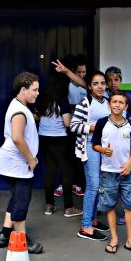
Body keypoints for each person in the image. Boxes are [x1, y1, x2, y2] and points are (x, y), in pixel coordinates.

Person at [0, 72, 44, 254]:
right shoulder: (20, 111)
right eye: (34, 90)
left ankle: (4, 234)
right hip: (17, 163)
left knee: (16, 197)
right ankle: (22, 239)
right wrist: (31, 159)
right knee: (22, 199)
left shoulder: (20, 106)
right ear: (23, 90)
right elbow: (17, 138)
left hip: (15, 162)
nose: (37, 93)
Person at [92, 91, 131, 256]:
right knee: (109, 206)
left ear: (126, 106)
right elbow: (94, 144)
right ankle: (114, 238)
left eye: (121, 102)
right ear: (109, 104)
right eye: (114, 102)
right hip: (108, 172)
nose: (117, 105)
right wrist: (103, 150)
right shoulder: (102, 123)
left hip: (127, 173)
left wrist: (129, 163)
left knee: (130, 206)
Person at [72, 71, 111, 242]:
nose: (100, 86)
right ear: (89, 86)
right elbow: (74, 126)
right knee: (93, 184)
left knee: (100, 184)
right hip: (89, 146)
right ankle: (85, 226)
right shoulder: (85, 103)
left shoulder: (108, 102)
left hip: (104, 147)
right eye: (96, 83)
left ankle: (94, 219)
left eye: (102, 83)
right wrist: (93, 128)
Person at [36, 68, 81, 218]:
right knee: (67, 171)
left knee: (50, 171)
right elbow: (67, 123)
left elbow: (37, 117)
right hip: (60, 139)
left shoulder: (43, 98)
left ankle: (49, 205)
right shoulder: (63, 99)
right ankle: (68, 207)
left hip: (43, 137)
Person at [104, 65, 131, 225]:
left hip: (124, 142)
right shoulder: (105, 96)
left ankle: (125, 212)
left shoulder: (126, 96)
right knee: (108, 178)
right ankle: (108, 210)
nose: (113, 83)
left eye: (116, 80)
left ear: (120, 80)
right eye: (110, 81)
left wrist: (128, 122)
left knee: (125, 177)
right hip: (108, 143)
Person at [54, 56, 88, 197]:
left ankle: (77, 184)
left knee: (80, 157)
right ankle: (64, 184)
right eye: (79, 72)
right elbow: (64, 105)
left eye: (84, 72)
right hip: (69, 125)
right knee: (67, 156)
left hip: (83, 126)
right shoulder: (68, 86)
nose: (81, 75)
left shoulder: (86, 86)